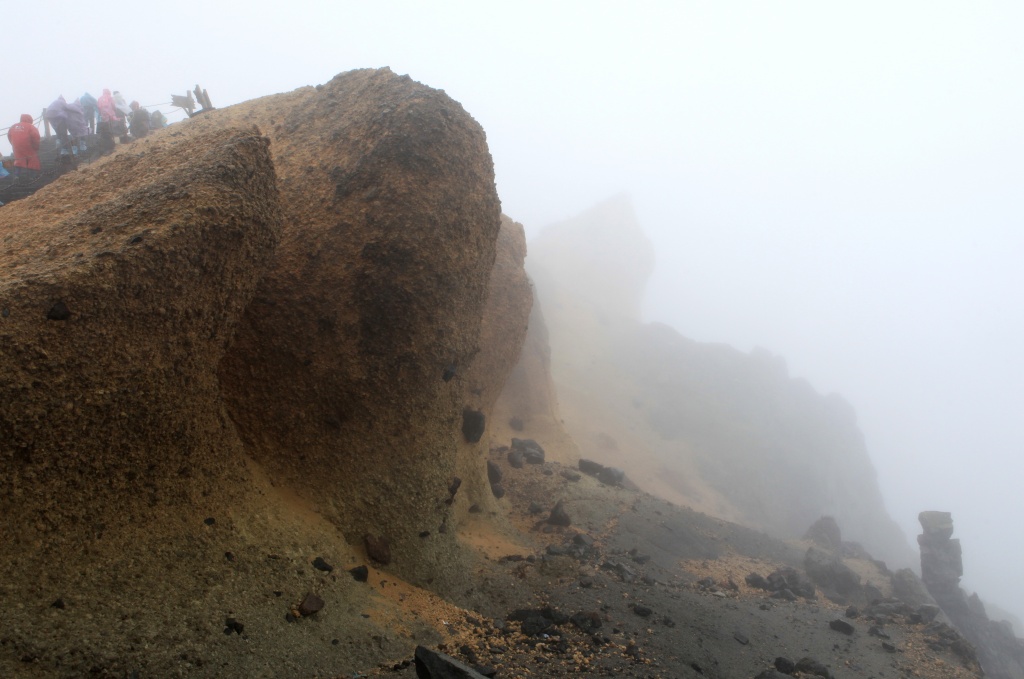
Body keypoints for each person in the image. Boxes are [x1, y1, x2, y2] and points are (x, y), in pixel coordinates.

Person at [7, 113, 41, 178]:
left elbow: (9, 136)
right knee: (32, 159)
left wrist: (13, 144)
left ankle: (17, 175)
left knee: (19, 159)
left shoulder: (13, 126)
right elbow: (36, 137)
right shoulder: (31, 127)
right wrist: (36, 147)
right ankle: (32, 176)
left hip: (16, 146)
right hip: (28, 145)